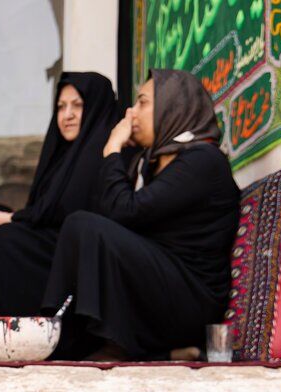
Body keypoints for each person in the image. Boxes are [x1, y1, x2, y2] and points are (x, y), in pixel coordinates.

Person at [41, 69, 241, 360]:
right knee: (81, 227)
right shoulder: (158, 163)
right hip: (166, 287)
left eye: (143, 103)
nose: (131, 113)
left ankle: (58, 334)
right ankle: (156, 351)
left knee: (83, 226)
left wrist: (111, 150)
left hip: (191, 300)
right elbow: (110, 211)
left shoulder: (204, 161)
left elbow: (124, 211)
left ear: (172, 108)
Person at [0, 72, 119, 360]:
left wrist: (14, 221)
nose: (67, 115)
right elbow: (46, 209)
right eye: (61, 107)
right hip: (55, 246)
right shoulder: (64, 155)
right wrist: (17, 220)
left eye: (77, 106)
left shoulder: (101, 151)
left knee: (5, 242)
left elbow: (71, 209)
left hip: (79, 256)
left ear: (94, 107)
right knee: (3, 241)